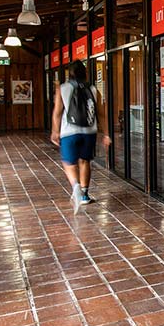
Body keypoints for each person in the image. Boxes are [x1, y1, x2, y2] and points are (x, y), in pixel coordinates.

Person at [51, 60, 111, 212]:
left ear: (69, 74)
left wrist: (55, 131)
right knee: (85, 162)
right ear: (85, 72)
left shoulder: (63, 88)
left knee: (68, 163)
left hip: (69, 132)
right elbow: (102, 114)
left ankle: (76, 187)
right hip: (89, 132)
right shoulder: (93, 89)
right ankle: (84, 195)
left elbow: (57, 112)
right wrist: (106, 134)